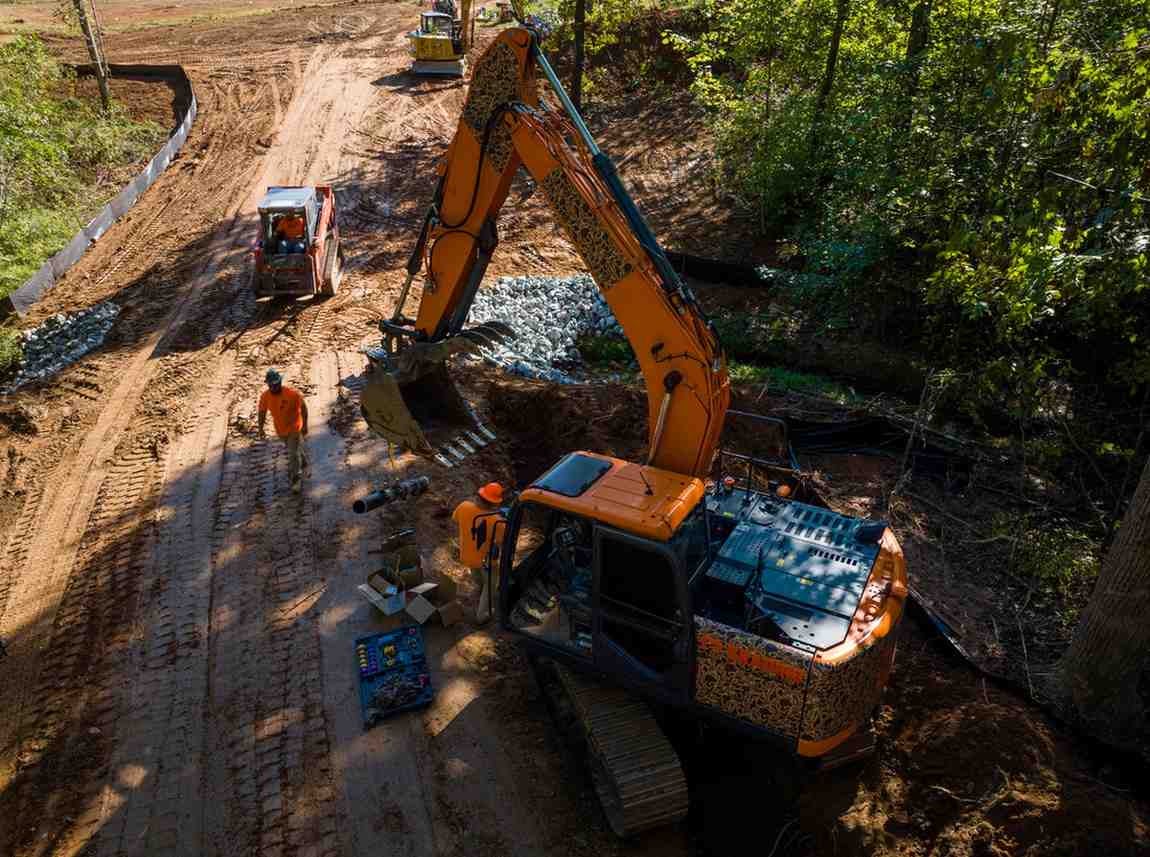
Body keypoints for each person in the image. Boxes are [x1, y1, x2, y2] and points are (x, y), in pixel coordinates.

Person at [452, 482, 505, 623]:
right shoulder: (498, 522)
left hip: (467, 555)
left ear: (480, 496)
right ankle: (482, 615)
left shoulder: (464, 506)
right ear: (495, 503)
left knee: (476, 573)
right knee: (490, 586)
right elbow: (501, 542)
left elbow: (455, 519)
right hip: (486, 562)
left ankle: (480, 586)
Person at [257, 368, 310, 493]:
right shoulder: (265, 397)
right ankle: (303, 459)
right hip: (281, 430)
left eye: (276, 384)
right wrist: (260, 428)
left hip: (295, 427)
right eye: (271, 385)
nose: (274, 387)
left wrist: (305, 425)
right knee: (294, 450)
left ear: (280, 382)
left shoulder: (292, 394)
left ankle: (296, 479)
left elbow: (303, 408)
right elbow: (262, 412)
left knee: (292, 454)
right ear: (268, 385)